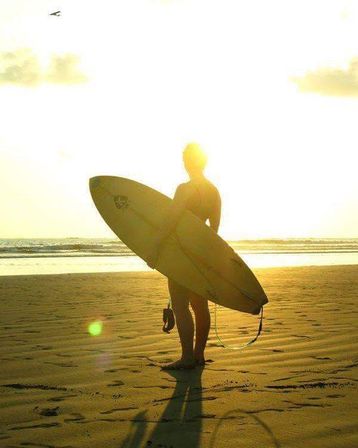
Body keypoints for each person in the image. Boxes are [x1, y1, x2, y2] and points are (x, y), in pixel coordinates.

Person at [147, 143, 221, 370]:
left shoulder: (184, 189)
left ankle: (187, 356)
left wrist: (154, 248)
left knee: (180, 304)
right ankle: (199, 355)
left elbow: (171, 221)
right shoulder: (214, 192)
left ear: (188, 162)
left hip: (181, 253)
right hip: (201, 253)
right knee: (200, 306)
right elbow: (214, 230)